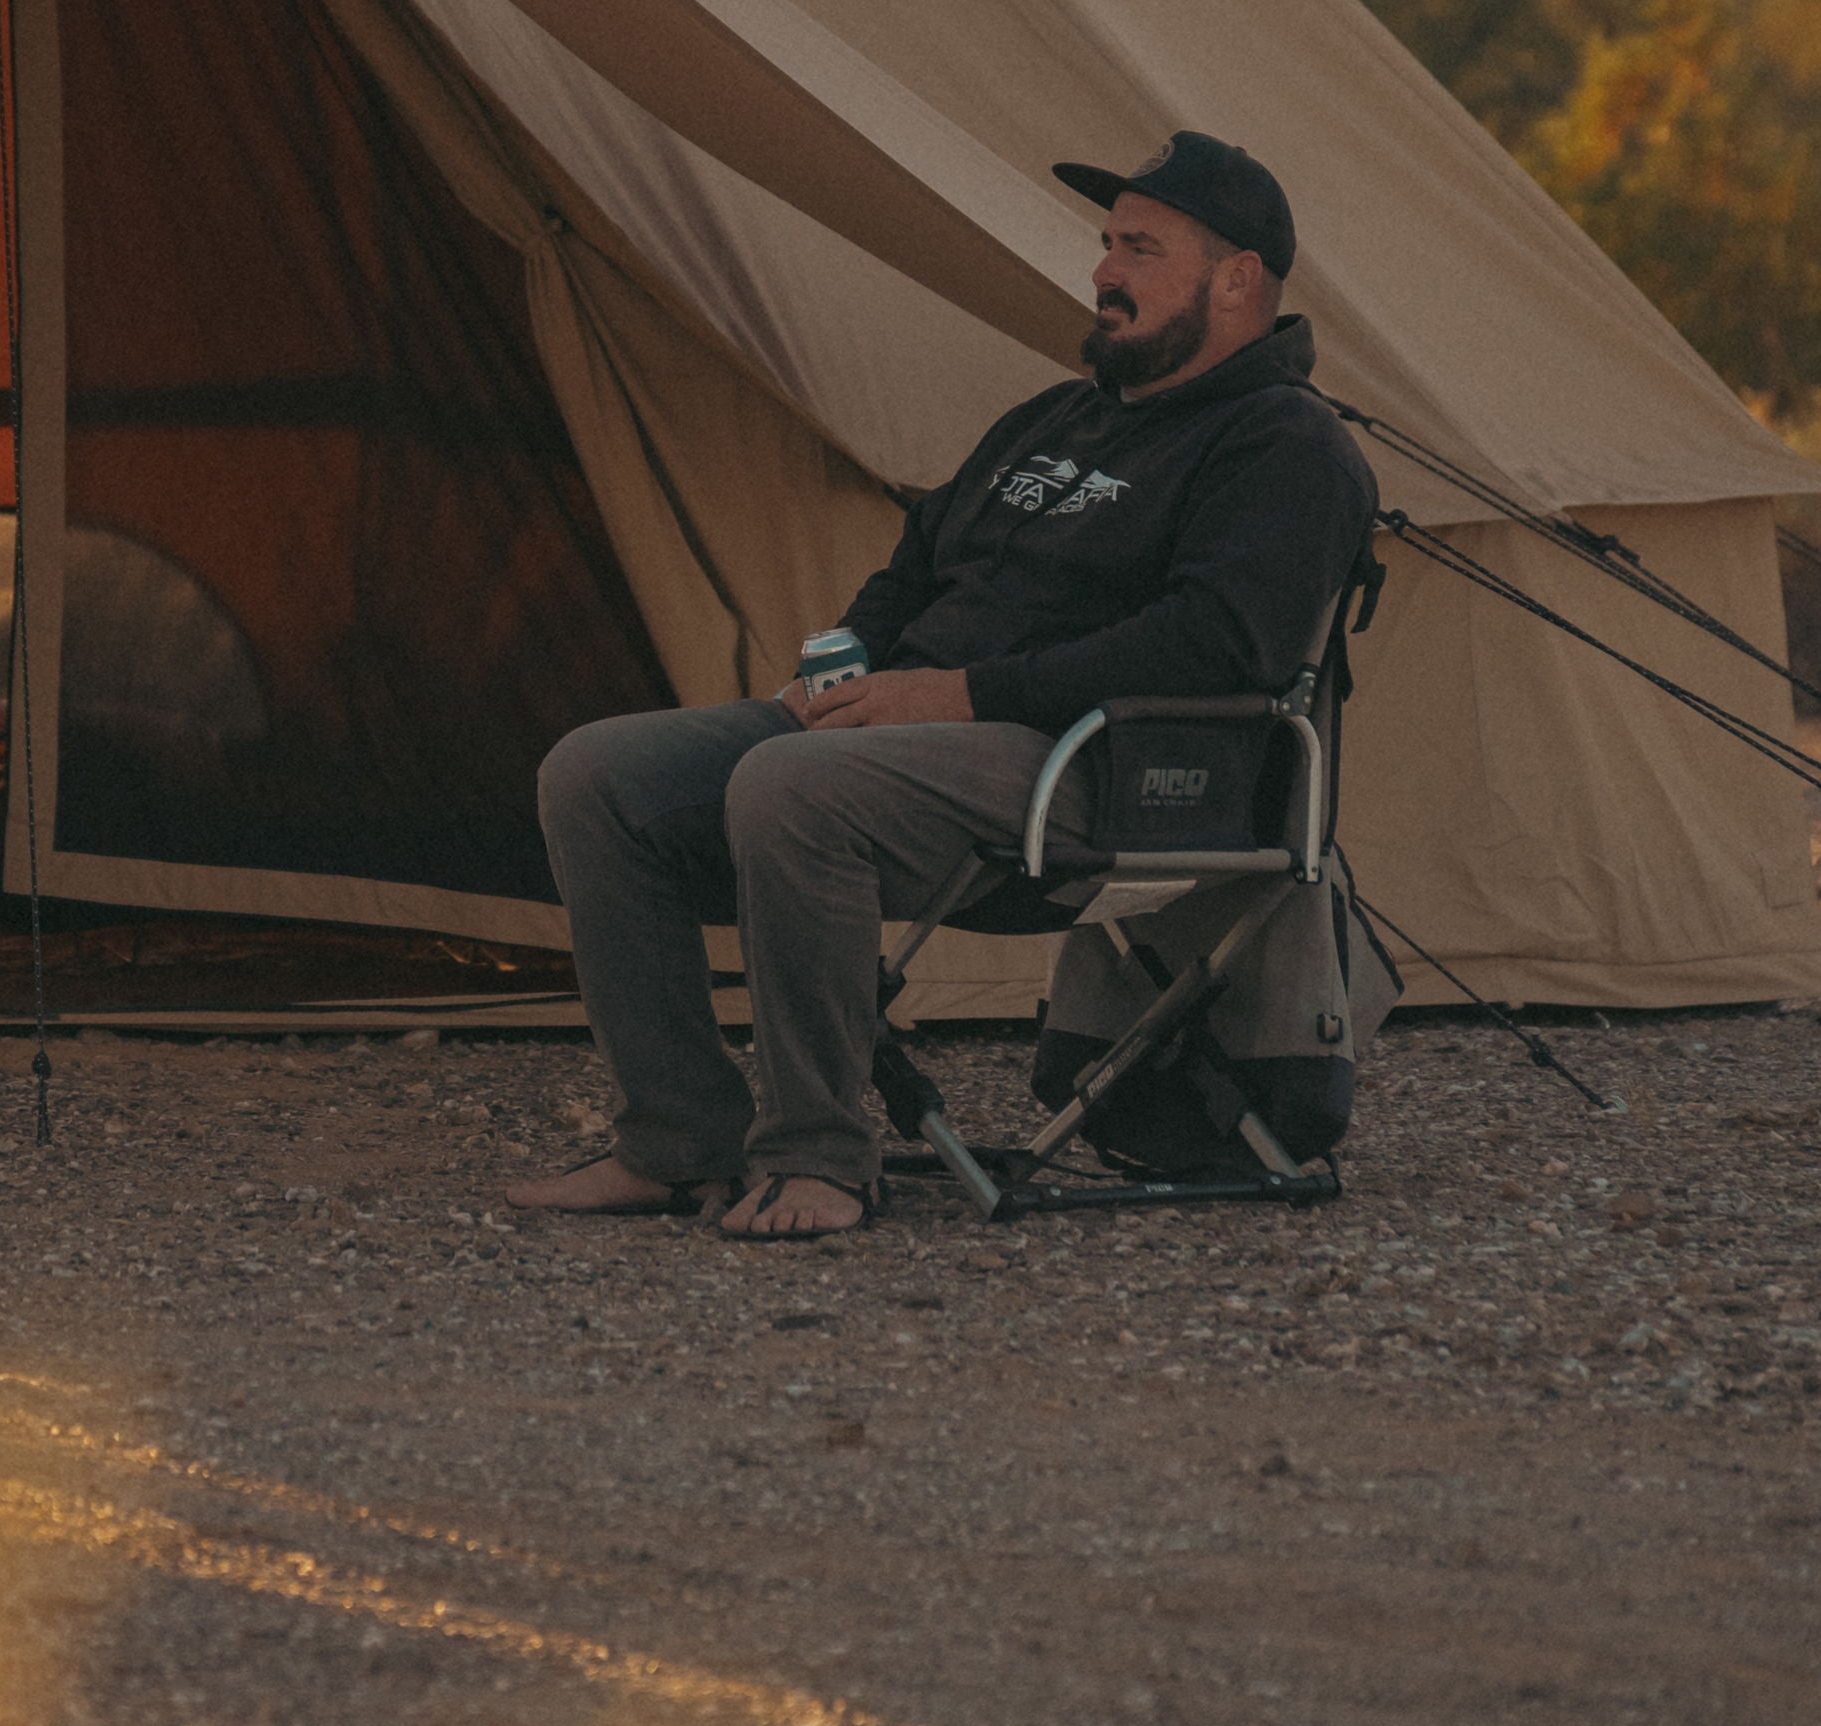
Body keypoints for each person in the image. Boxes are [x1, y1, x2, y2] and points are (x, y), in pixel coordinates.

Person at [507, 130, 1374, 1243]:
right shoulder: (1052, 420)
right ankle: (674, 1145)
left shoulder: (1285, 446)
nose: (1104, 272)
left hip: (1109, 771)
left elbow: (1216, 648)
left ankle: (818, 1155)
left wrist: (958, 694)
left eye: (1141, 250)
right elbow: (911, 568)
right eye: (1106, 244)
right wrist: (842, 667)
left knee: (792, 786)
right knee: (598, 774)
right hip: (921, 735)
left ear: (1237, 279)